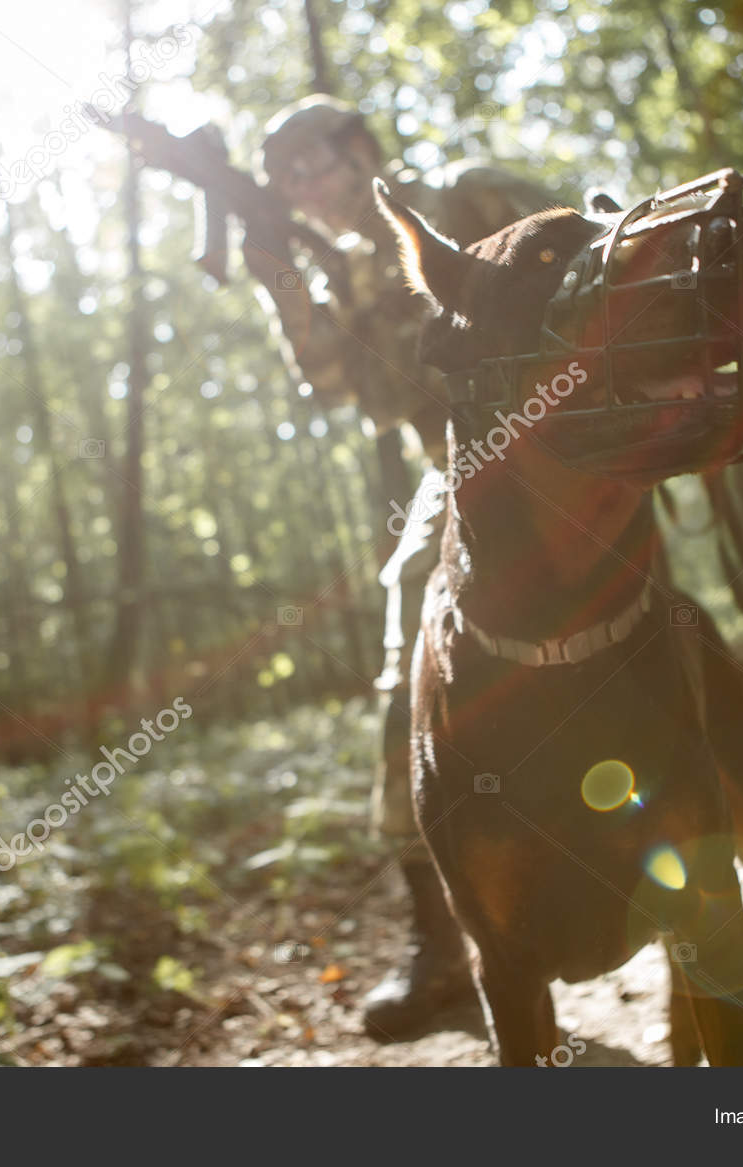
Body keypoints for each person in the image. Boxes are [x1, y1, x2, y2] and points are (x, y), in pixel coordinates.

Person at [245, 95, 557, 1038]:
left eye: (314, 164)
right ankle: (442, 947)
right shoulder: (337, 273)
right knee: (408, 658)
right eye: (285, 179)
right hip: (452, 464)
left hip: (564, 442)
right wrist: (281, 283)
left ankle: (706, 867)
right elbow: (339, 387)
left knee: (638, 637)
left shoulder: (467, 199)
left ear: (362, 151)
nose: (304, 189)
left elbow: (595, 266)